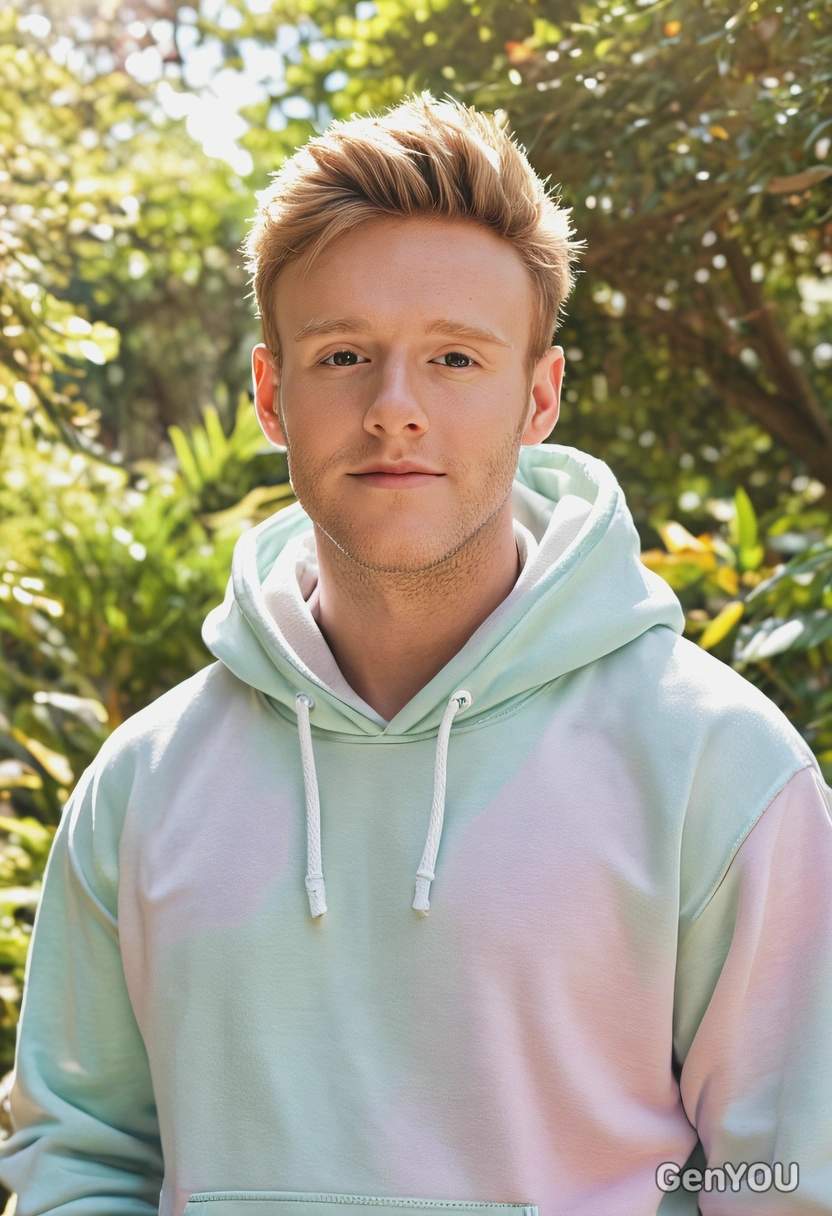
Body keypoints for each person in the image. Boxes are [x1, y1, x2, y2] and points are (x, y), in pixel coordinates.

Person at [1, 93, 831, 1216]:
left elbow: (786, 1175)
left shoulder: (720, 769)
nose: (396, 410)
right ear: (271, 394)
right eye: (344, 354)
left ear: (538, 396)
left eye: (453, 358)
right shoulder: (140, 786)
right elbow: (82, 1155)